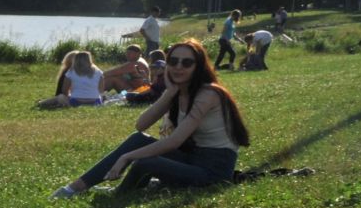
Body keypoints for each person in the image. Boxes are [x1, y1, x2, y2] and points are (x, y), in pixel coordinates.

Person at [51, 39, 251, 197]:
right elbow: (141, 125)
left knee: (145, 162)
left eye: (187, 62)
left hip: (213, 169)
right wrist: (168, 93)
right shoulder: (178, 91)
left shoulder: (208, 94)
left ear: (198, 67)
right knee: (138, 140)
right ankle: (75, 188)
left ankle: (120, 193)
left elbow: (174, 141)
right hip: (193, 157)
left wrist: (127, 156)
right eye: (173, 61)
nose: (178, 67)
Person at [37, 48, 106, 108]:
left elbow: (64, 91)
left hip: (76, 102)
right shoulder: (98, 72)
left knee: (60, 97)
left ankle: (41, 103)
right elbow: (101, 91)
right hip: (95, 102)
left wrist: (72, 95)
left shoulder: (71, 72)